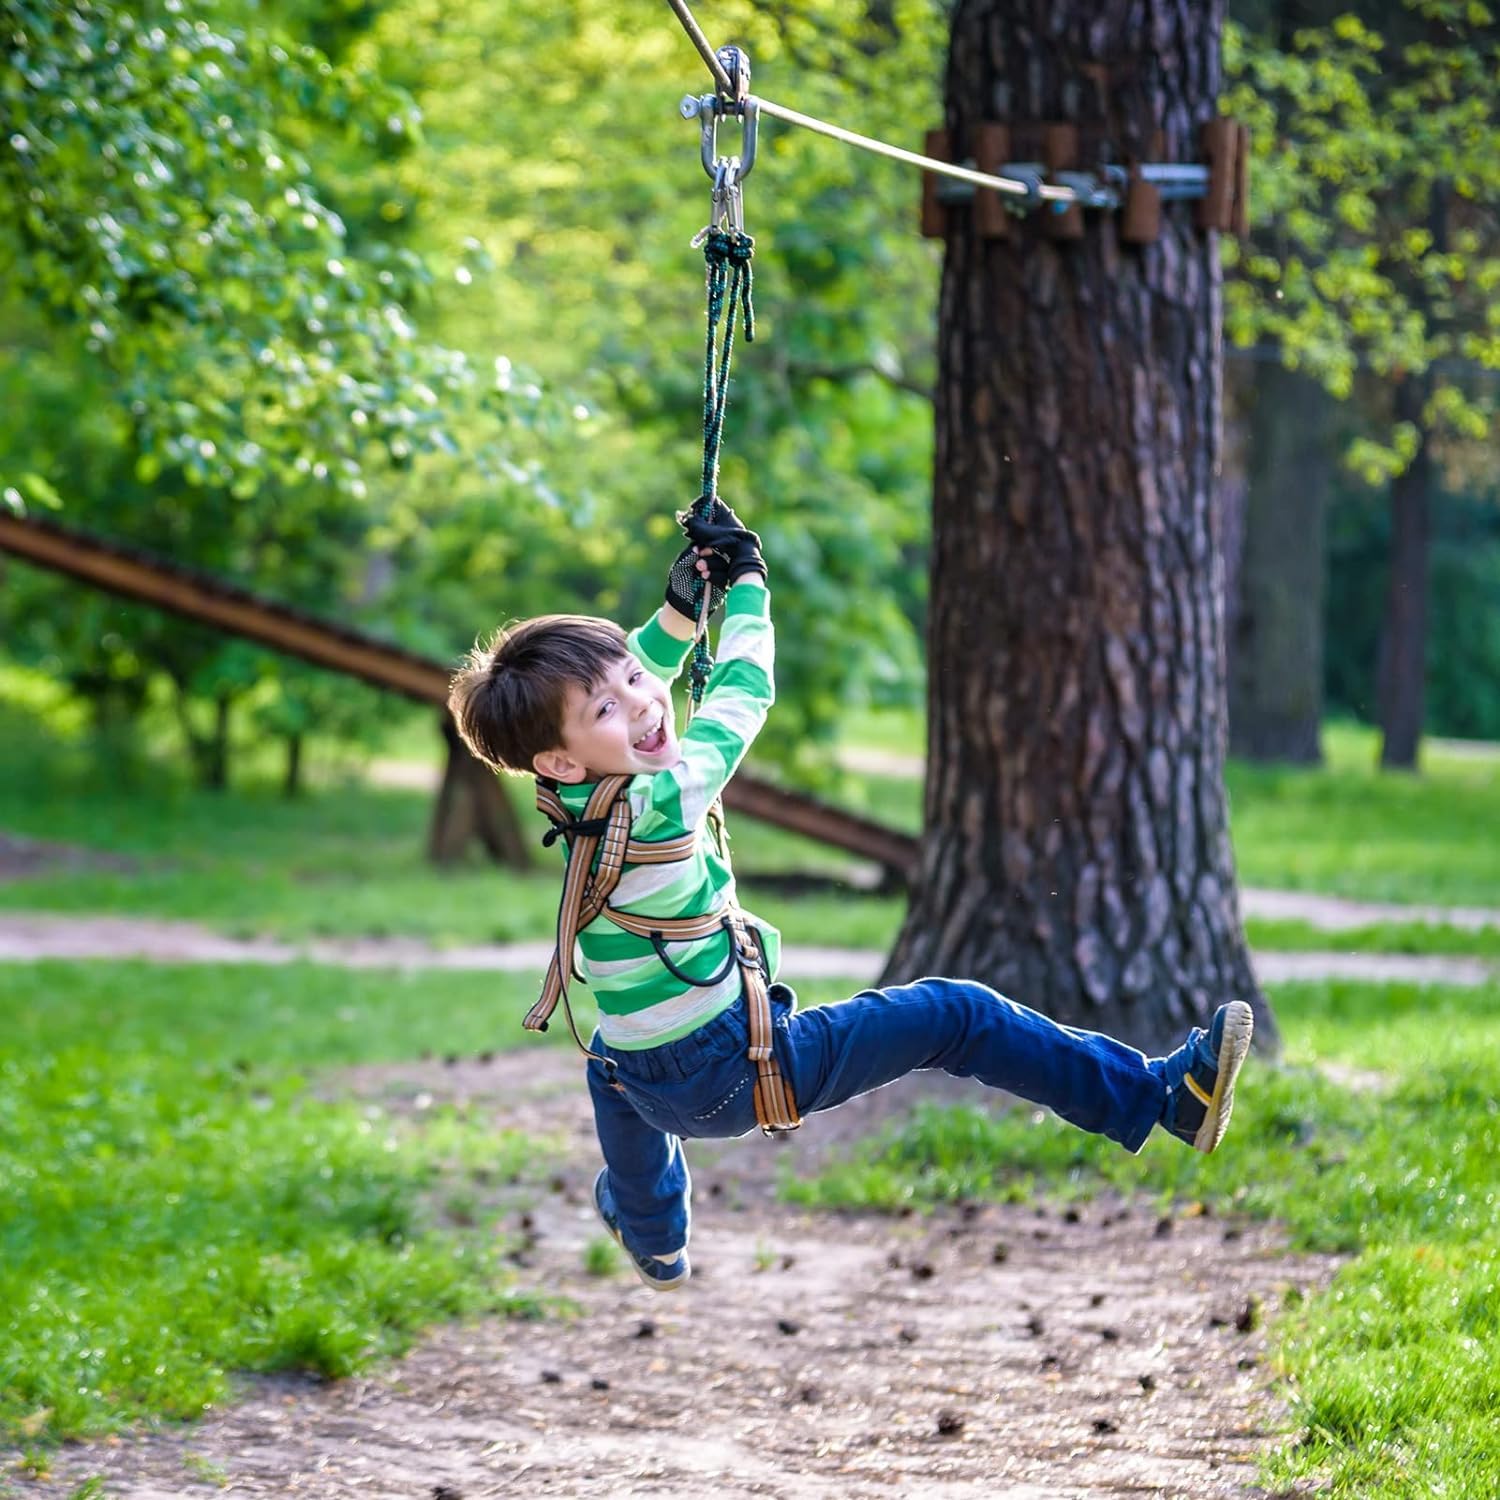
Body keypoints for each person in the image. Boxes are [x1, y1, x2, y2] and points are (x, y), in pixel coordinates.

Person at [448, 502, 1253, 1292]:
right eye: (609, 709)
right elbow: (743, 691)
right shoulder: (666, 797)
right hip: (739, 1070)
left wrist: (678, 615)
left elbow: (622, 689)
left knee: (610, 1070)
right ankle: (1158, 1101)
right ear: (560, 758)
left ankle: (652, 1231)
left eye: (633, 678)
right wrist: (750, 584)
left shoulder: (572, 799)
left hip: (647, 1079)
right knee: (958, 1014)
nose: (645, 704)